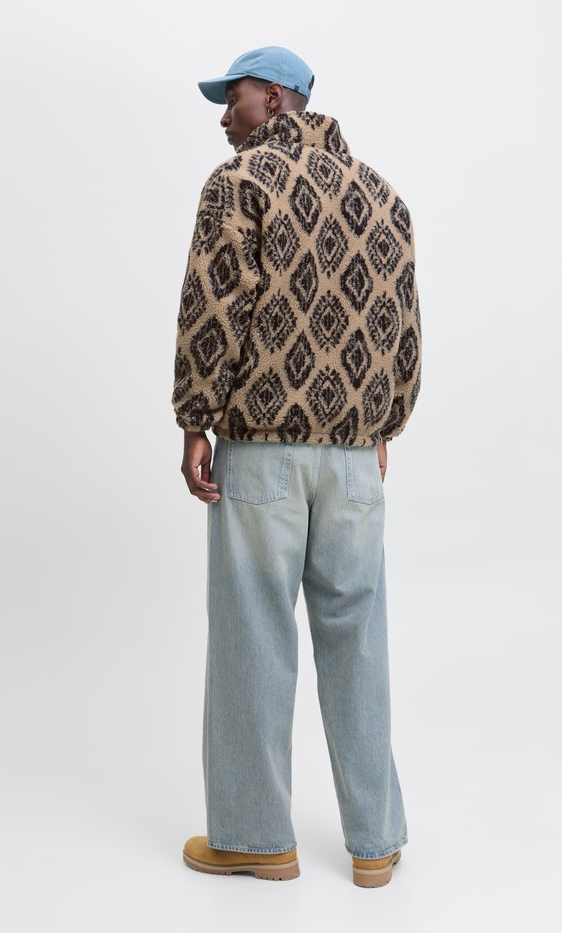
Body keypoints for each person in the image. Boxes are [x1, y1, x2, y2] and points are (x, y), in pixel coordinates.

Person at [172, 46, 421, 888]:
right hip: (354, 461)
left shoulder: (238, 183)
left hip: (264, 452)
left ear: (275, 100)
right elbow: (405, 326)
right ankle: (375, 843)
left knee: (254, 637)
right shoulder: (384, 196)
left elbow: (213, 306)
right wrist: (384, 423)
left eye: (234, 98)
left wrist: (195, 418)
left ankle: (255, 837)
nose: (224, 116)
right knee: (359, 641)